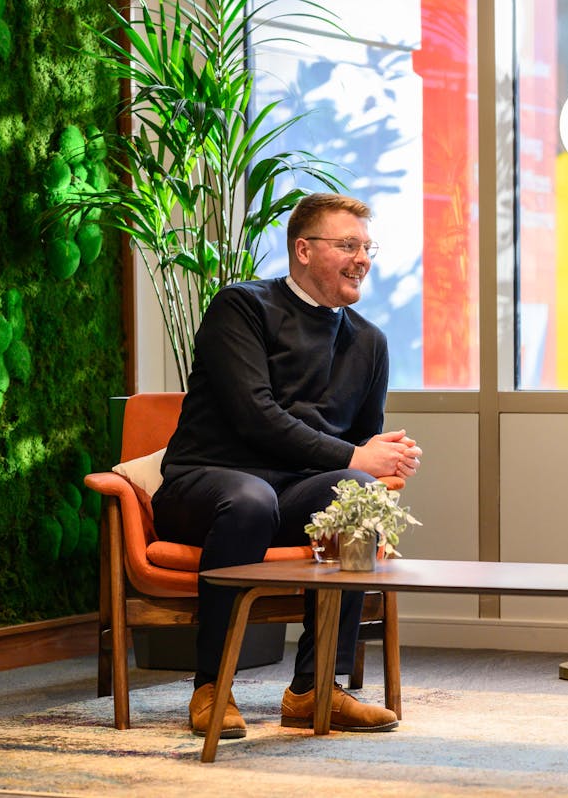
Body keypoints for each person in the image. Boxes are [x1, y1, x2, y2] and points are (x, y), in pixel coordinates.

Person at [152, 192, 422, 739]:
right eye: (348, 245)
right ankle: (212, 686)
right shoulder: (242, 307)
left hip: (294, 496)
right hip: (207, 485)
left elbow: (358, 445)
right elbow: (255, 416)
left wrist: (381, 457)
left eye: (367, 248)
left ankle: (316, 688)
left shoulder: (369, 342)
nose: (362, 259)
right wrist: (356, 455)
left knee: (356, 496)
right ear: (303, 249)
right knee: (251, 501)